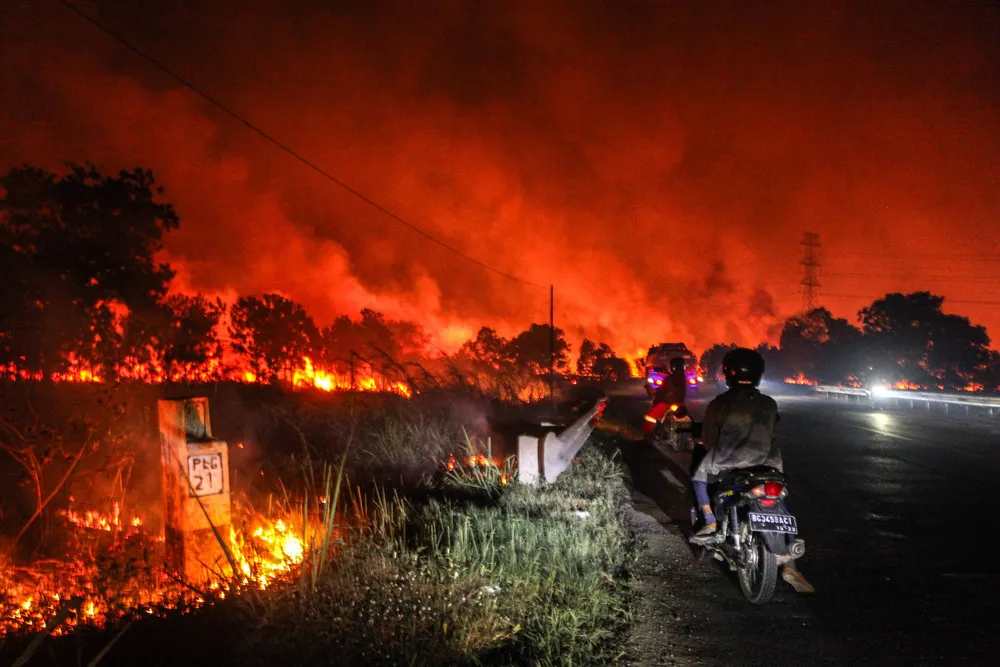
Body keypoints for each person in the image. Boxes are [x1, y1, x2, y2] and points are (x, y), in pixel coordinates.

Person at [690, 347, 814, 593]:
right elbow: (771, 427)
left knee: (698, 478)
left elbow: (709, 437)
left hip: (728, 460)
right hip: (768, 462)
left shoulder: (720, 403)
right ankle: (791, 565)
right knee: (778, 500)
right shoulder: (769, 403)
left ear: (728, 373)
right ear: (758, 374)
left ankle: (710, 520)